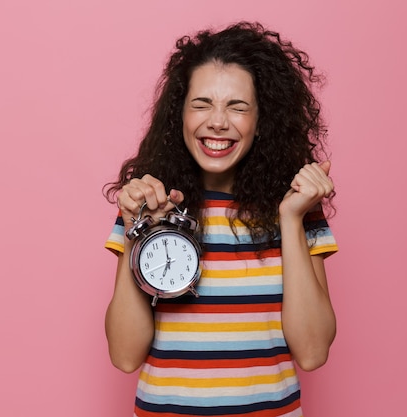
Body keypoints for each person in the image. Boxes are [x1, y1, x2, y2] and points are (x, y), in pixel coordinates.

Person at [103, 21, 338, 416]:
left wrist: (290, 218)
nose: (217, 121)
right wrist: (135, 230)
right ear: (179, 115)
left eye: (237, 106)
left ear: (262, 121)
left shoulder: (296, 207)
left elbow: (312, 352)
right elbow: (125, 357)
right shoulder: (149, 204)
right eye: (201, 104)